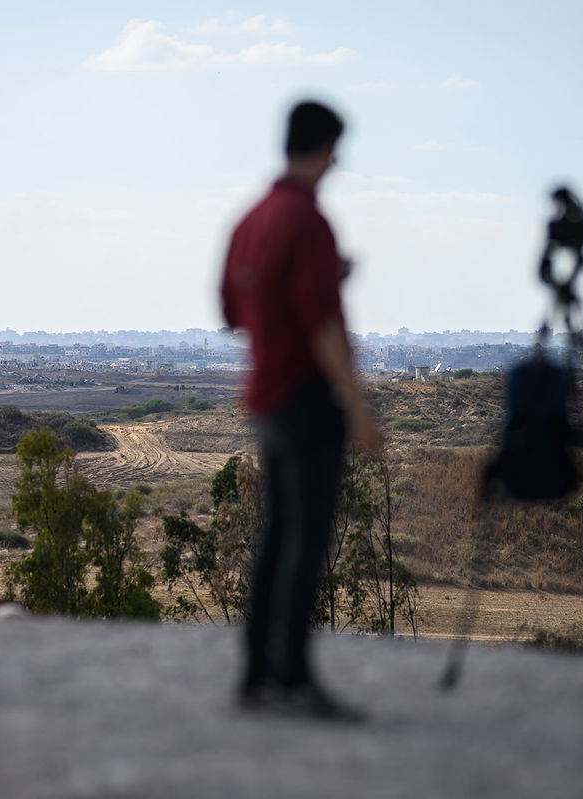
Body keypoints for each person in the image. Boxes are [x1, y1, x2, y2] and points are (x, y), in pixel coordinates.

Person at [220, 100, 384, 720]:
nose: (338, 160)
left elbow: (234, 312)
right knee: (307, 540)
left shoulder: (253, 219)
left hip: (265, 395)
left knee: (276, 535)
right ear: (323, 148)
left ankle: (258, 673)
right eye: (336, 149)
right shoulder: (308, 221)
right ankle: (293, 676)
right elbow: (322, 325)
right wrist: (358, 405)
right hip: (308, 397)